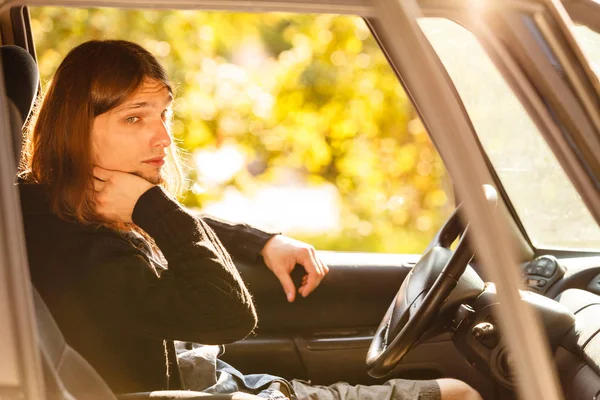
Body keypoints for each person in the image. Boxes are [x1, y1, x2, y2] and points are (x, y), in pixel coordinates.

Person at [18, 39, 482, 400]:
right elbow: (230, 316)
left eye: (164, 114)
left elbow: (171, 224)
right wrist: (152, 206)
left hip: (214, 379)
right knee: (462, 393)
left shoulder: (60, 201)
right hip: (202, 391)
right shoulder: (84, 253)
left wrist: (260, 242)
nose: (162, 137)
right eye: (135, 119)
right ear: (75, 127)